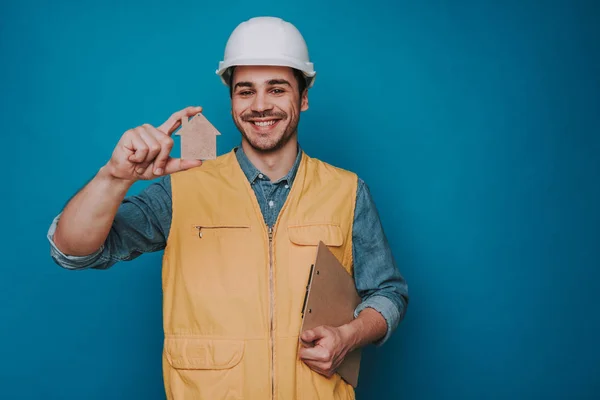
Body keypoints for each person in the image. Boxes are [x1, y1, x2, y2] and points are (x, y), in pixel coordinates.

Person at [47, 16, 408, 400]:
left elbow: (388, 292)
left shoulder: (348, 191)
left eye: (277, 89)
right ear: (232, 100)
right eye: (245, 91)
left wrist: (348, 335)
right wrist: (114, 177)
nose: (260, 105)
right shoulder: (182, 190)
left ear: (303, 97)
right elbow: (72, 252)